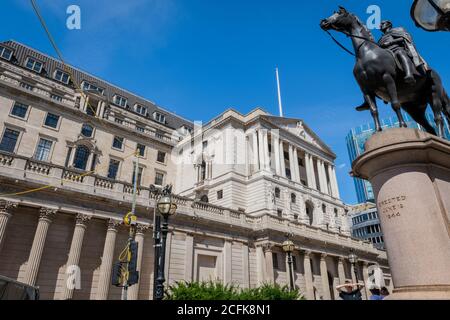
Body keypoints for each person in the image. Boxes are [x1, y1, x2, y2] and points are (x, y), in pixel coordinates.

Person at [378, 20, 428, 84]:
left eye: (382, 23)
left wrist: (390, 42)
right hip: (386, 54)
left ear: (388, 24)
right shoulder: (380, 39)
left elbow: (405, 38)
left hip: (396, 49)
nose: (380, 26)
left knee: (400, 52)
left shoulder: (397, 30)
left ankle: (409, 74)